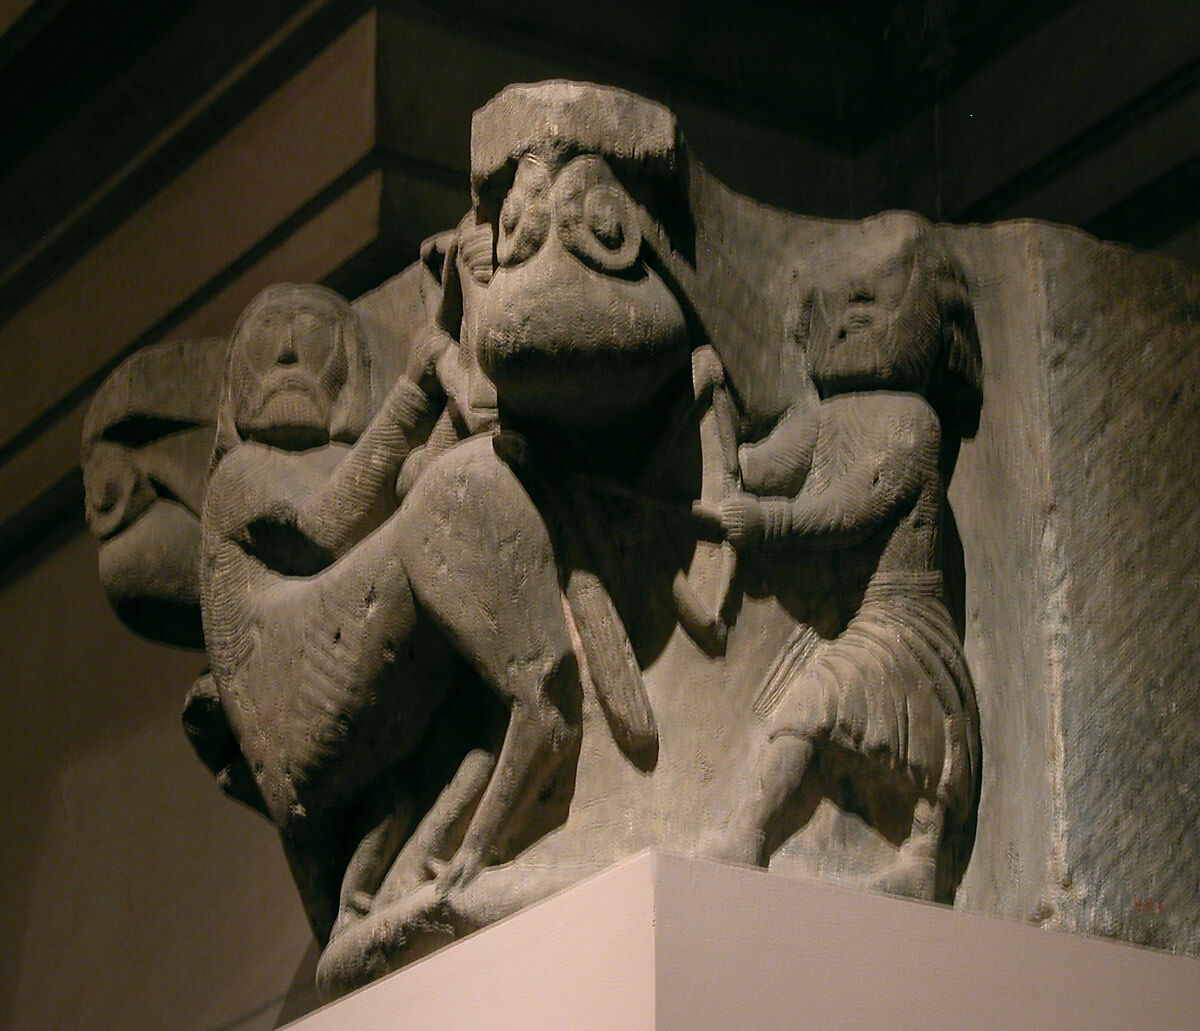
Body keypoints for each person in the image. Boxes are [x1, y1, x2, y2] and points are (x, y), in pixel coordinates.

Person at [696, 215, 982, 900]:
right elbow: (757, 466)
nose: (853, 317)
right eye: (839, 303)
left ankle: (914, 854)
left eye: (875, 300)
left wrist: (766, 521)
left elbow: (854, 508)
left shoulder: (913, 422)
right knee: (816, 714)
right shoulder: (821, 416)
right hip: (857, 622)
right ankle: (753, 837)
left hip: (905, 618)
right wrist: (713, 428)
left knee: (858, 717)